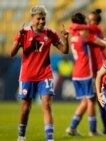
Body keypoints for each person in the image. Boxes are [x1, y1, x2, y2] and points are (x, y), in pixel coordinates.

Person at [9, 5, 69, 141]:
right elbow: (12, 53)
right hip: (27, 75)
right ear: (32, 18)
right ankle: (21, 135)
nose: (42, 21)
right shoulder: (23, 32)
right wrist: (19, 37)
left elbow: (64, 50)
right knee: (25, 107)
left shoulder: (50, 33)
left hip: (45, 74)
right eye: (39, 19)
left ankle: (49, 138)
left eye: (43, 18)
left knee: (47, 105)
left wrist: (65, 39)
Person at [65, 12, 106, 137]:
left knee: (84, 101)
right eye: (86, 20)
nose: (88, 22)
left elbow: (72, 28)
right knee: (91, 101)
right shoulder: (84, 34)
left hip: (76, 72)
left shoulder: (73, 35)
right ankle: (93, 130)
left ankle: (72, 128)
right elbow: (103, 44)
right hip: (85, 71)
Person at [87, 8, 106, 134]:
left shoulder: (94, 30)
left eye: (90, 20)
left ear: (95, 22)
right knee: (100, 99)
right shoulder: (96, 30)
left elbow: (104, 44)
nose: (87, 22)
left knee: (103, 97)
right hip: (97, 68)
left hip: (100, 68)